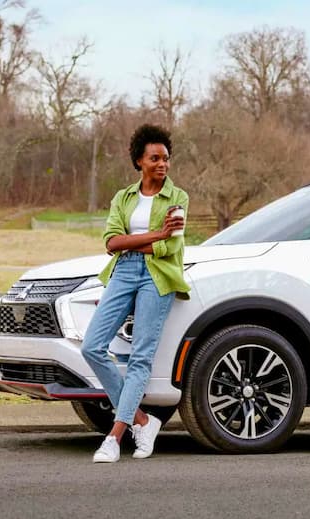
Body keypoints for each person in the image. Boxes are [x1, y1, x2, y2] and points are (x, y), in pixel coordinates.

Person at [80, 124, 189, 463]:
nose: (162, 164)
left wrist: (141, 242)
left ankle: (114, 437)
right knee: (92, 346)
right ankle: (142, 420)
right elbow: (111, 242)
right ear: (139, 161)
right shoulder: (123, 198)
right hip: (123, 273)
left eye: (166, 159)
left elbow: (171, 248)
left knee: (141, 357)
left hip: (158, 278)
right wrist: (156, 234)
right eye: (155, 158)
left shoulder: (178, 197)